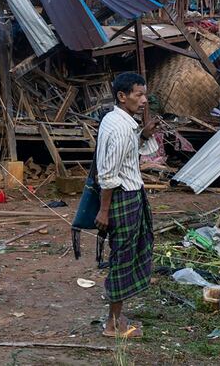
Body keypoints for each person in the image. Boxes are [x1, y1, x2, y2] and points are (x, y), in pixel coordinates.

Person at [94, 72, 159, 338]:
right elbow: (109, 175)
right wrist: (104, 210)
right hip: (123, 198)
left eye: (145, 94)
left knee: (124, 256)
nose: (144, 100)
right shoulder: (121, 129)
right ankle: (112, 325)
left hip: (128, 196)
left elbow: (128, 154)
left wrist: (143, 135)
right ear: (122, 97)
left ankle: (116, 318)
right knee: (122, 259)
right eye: (138, 95)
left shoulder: (117, 120)